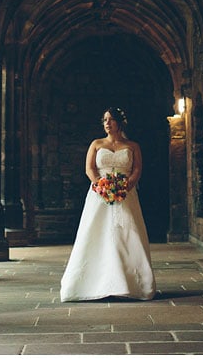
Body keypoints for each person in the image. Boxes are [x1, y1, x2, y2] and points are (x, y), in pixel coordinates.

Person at [60, 107, 156, 301]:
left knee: (128, 233)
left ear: (120, 122)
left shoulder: (132, 146)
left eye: (111, 120)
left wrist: (126, 186)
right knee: (96, 233)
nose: (107, 123)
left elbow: (137, 169)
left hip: (126, 194)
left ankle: (132, 284)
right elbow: (89, 168)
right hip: (99, 194)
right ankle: (92, 283)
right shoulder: (96, 144)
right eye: (105, 119)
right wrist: (101, 185)